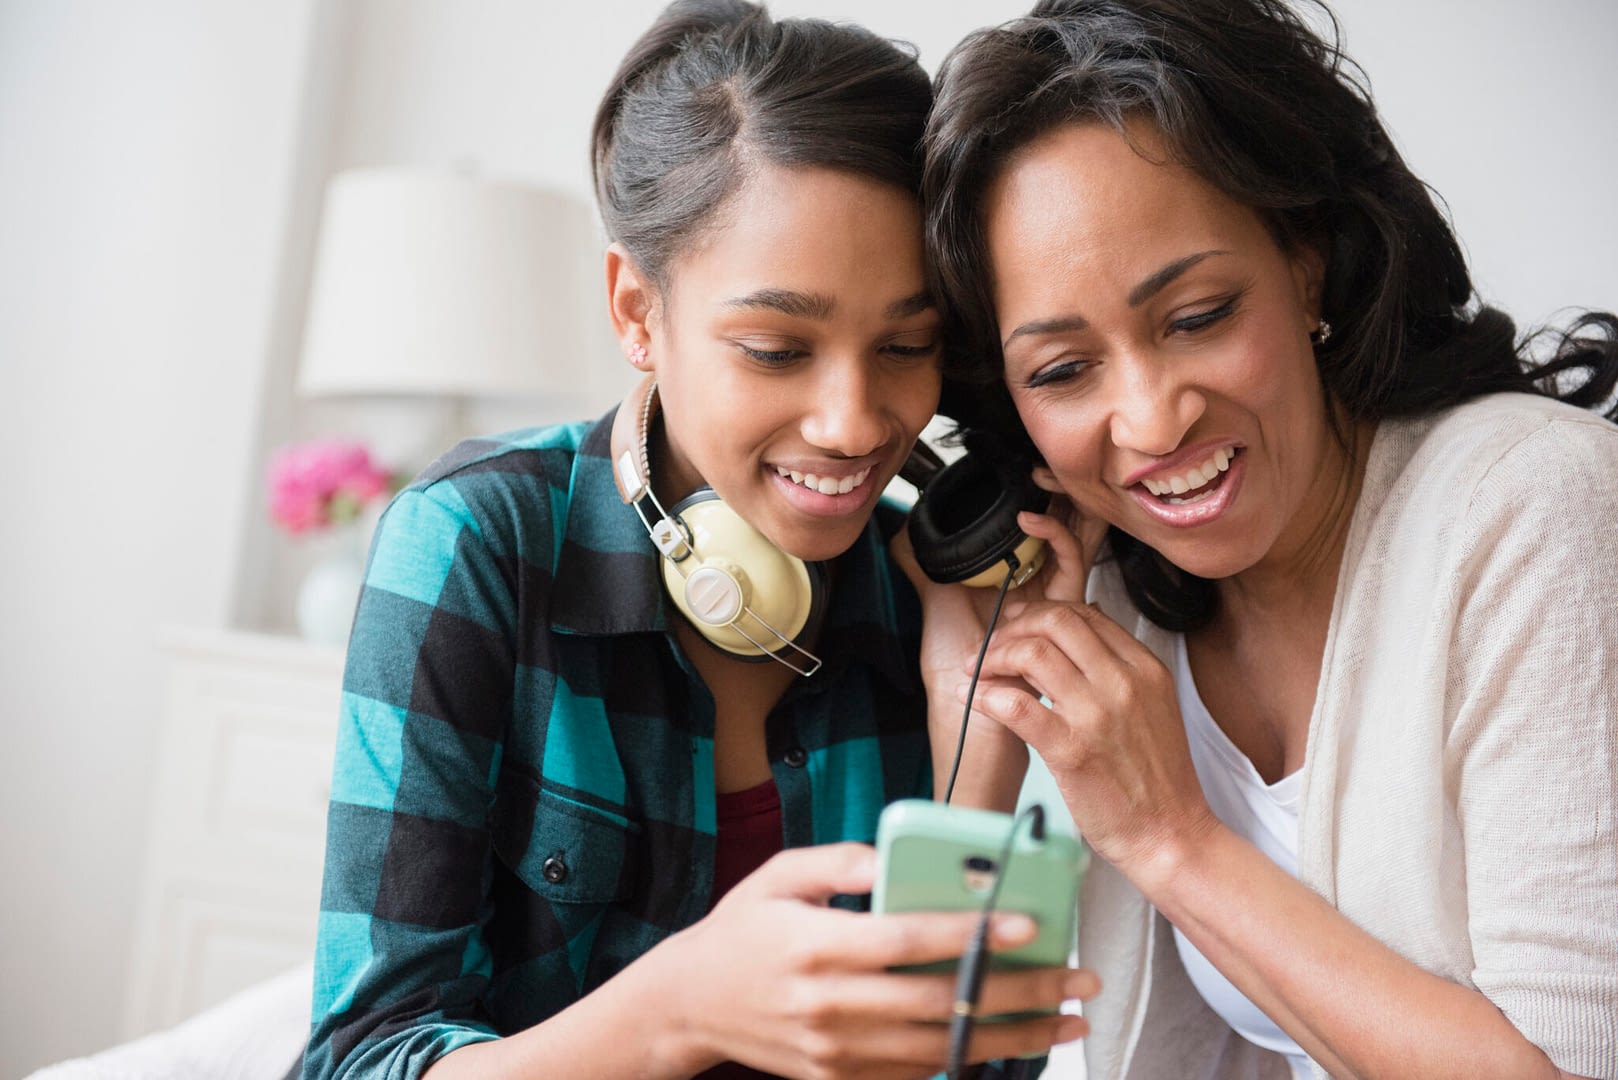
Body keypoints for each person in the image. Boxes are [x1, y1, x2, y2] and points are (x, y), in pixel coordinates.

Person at [297, 3, 1099, 1079]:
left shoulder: (926, 577)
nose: (854, 423)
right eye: (776, 348)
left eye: (906, 344)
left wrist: (976, 728)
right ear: (636, 310)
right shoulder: (476, 540)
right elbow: (360, 1059)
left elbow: (968, 1060)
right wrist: (676, 1014)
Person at [916, 0, 1618, 1077]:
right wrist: (980, 731)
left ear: (1305, 267)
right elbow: (947, 1046)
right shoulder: (1111, 593)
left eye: (1195, 317)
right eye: (1062, 371)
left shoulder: (1532, 508)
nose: (1151, 422)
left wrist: (1172, 839)